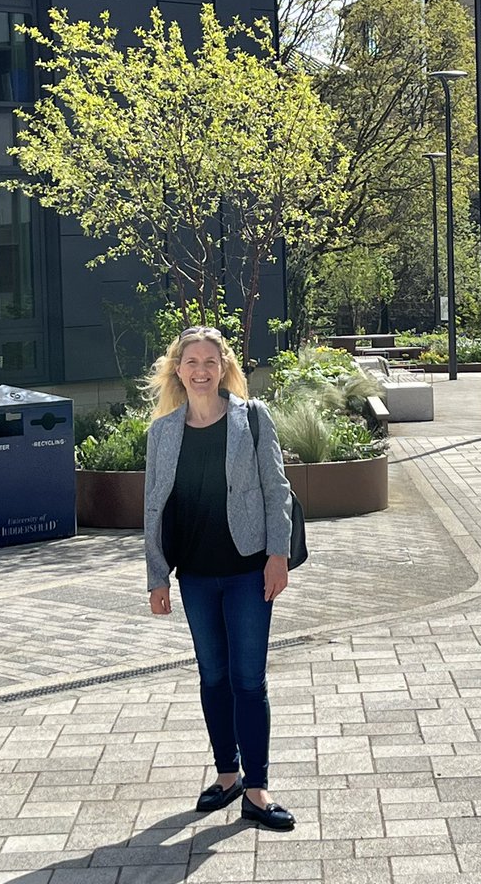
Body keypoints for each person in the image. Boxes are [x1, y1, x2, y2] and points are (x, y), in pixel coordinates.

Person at [144, 325, 295, 831]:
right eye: (192, 362)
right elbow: (154, 510)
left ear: (224, 367)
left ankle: (257, 789)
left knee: (248, 680)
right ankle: (227, 776)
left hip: (249, 570)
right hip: (197, 576)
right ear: (178, 369)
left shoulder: (251, 420)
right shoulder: (162, 433)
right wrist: (157, 576)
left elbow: (277, 492)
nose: (201, 371)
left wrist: (278, 556)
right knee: (213, 678)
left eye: (211, 361)